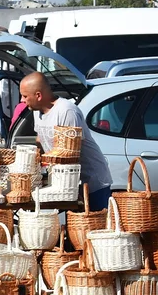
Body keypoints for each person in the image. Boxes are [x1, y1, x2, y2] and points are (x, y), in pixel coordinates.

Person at [21, 72, 114, 207]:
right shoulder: (36, 111)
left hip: (91, 181)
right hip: (67, 181)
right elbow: (40, 139)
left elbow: (71, 155)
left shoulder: (66, 111)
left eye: (25, 96)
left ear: (38, 96)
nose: (21, 101)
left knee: (96, 224)